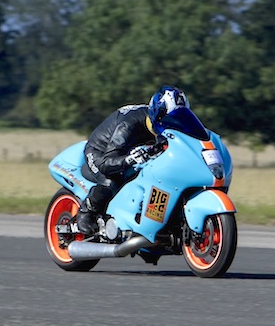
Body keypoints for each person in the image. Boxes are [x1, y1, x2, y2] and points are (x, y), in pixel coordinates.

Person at [76, 85, 190, 235]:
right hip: (101, 151)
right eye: (170, 119)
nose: (173, 123)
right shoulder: (128, 127)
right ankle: (86, 213)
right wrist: (130, 159)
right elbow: (106, 162)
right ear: (158, 115)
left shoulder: (167, 128)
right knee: (112, 179)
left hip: (134, 150)